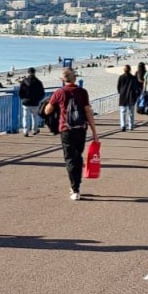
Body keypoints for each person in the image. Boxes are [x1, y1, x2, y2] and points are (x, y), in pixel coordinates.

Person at [42, 68, 99, 200]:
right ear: (74, 78)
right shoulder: (82, 92)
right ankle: (76, 184)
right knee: (78, 156)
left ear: (63, 80)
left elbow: (47, 111)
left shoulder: (59, 93)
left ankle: (75, 189)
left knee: (70, 159)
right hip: (80, 129)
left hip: (66, 129)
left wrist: (49, 103)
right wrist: (94, 131)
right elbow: (87, 111)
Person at [17, 67, 46, 136]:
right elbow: (42, 93)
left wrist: (23, 98)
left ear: (28, 72)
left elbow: (20, 92)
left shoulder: (24, 81)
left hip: (26, 102)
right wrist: (38, 99)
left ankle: (25, 131)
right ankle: (35, 130)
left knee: (25, 116)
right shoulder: (38, 82)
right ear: (34, 72)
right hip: (35, 102)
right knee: (34, 116)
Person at [117, 64, 140, 131]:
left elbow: (118, 87)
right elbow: (136, 87)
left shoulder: (121, 77)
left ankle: (123, 125)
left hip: (123, 95)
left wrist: (120, 92)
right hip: (131, 96)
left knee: (123, 112)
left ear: (124, 70)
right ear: (130, 70)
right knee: (131, 112)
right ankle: (131, 126)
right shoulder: (133, 77)